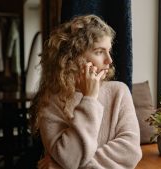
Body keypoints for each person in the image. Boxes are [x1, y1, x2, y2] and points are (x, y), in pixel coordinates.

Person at [29, 14, 142, 169]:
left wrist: (60, 165)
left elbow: (131, 152)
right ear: (73, 57)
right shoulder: (50, 101)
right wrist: (90, 99)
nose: (109, 60)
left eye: (109, 51)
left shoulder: (119, 92)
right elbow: (68, 158)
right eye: (99, 51)